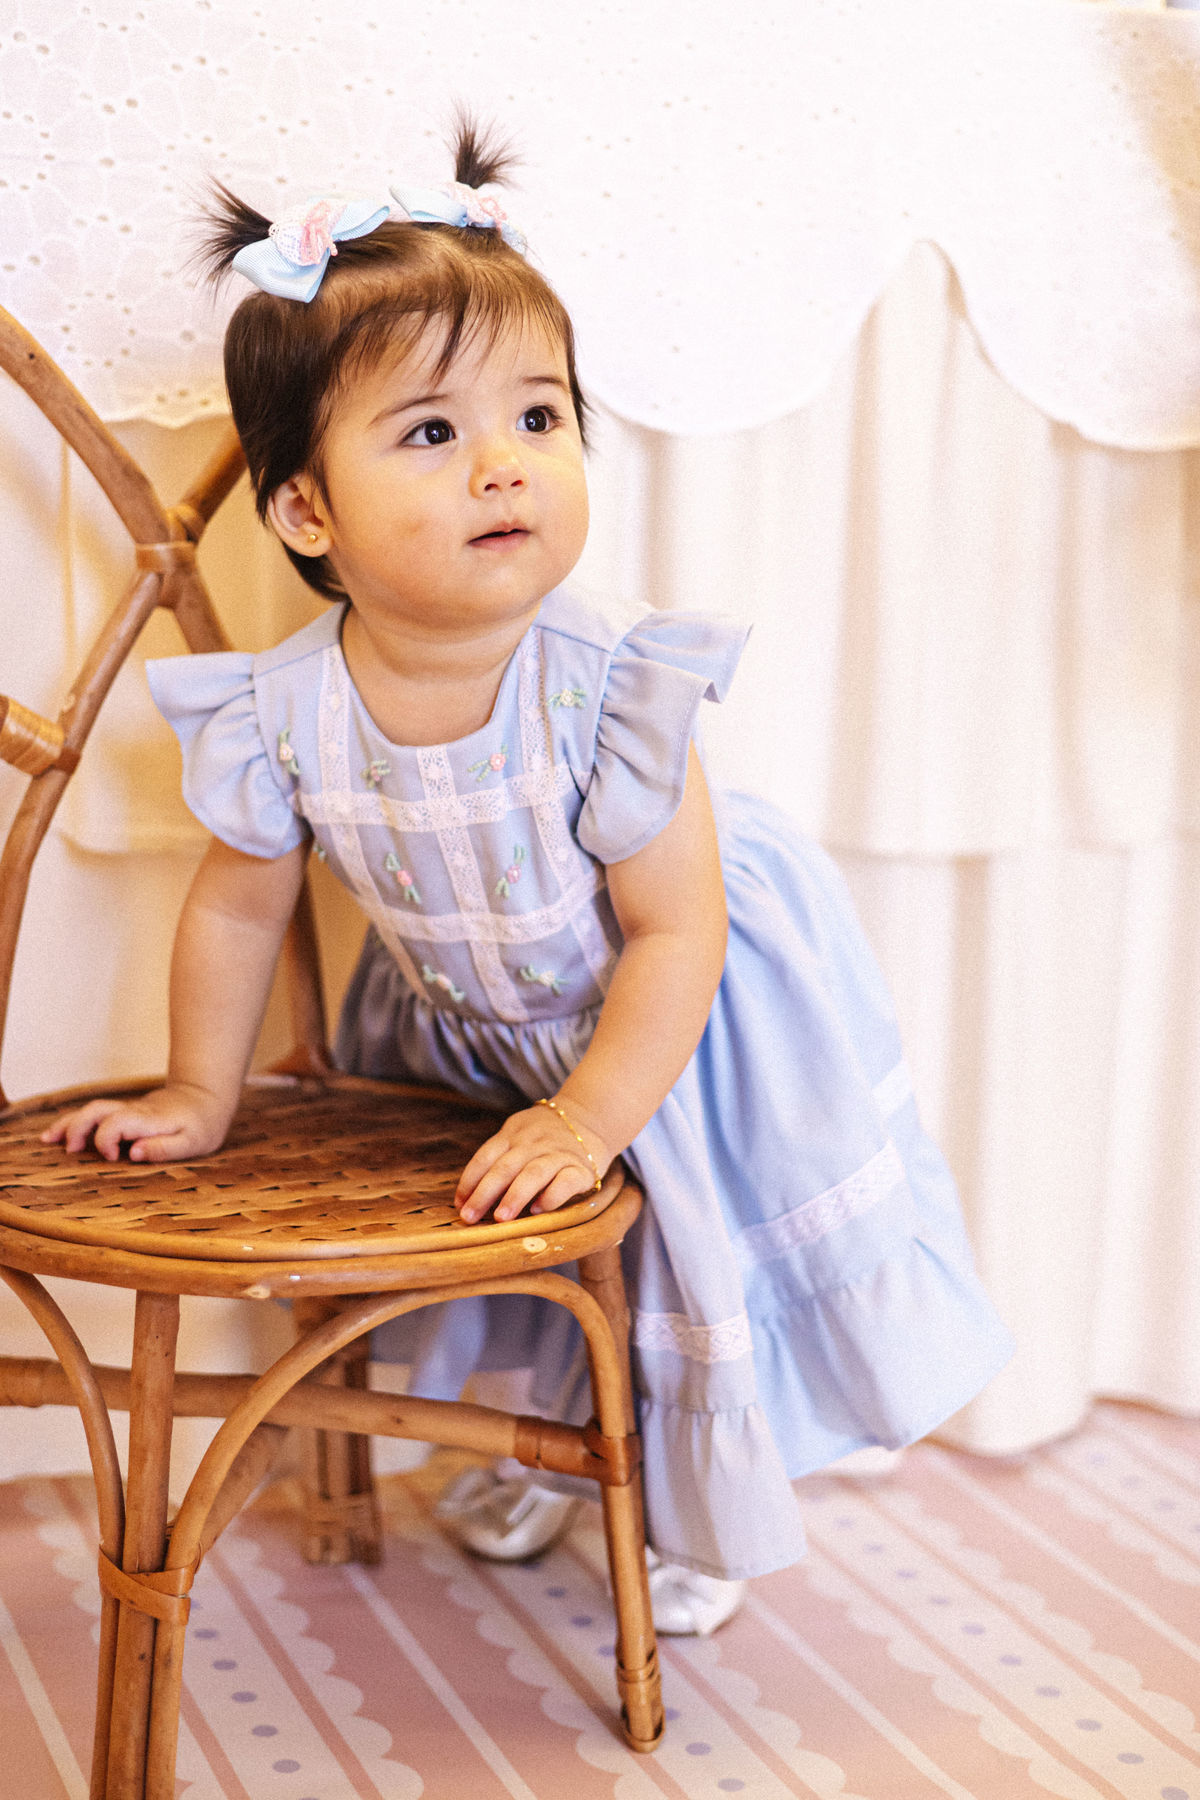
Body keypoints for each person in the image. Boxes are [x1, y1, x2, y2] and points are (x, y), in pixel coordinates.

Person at [44, 122, 1013, 1635]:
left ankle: (696, 1507)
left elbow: (676, 930)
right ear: (307, 512)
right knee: (520, 1253)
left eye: (539, 415)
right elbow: (237, 904)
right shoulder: (287, 708)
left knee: (688, 1262)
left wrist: (589, 1112)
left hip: (676, 1022)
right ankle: (556, 1459)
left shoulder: (607, 684)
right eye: (431, 433)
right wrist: (198, 1091)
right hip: (476, 1034)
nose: (505, 462)